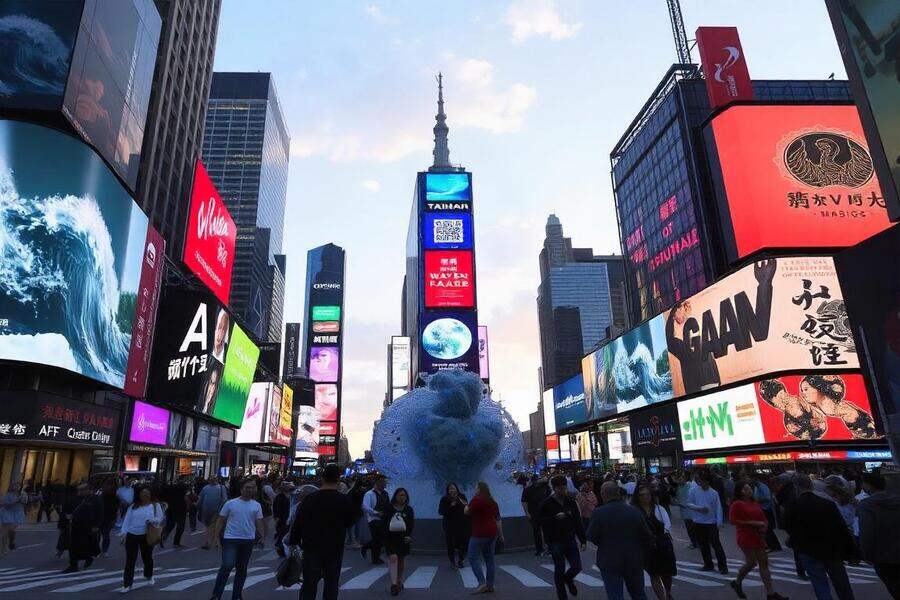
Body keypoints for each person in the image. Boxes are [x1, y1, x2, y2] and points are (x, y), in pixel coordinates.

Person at [288, 464, 356, 600]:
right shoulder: (343, 500)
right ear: (338, 479)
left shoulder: (310, 499)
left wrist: (294, 541)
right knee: (331, 584)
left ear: (322, 478)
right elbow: (350, 522)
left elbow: (299, 521)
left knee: (309, 584)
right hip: (334, 547)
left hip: (311, 546)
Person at [782, 474, 855, 600]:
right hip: (831, 549)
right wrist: (851, 550)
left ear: (796, 487)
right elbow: (841, 528)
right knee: (841, 583)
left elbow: (787, 526)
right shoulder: (827, 503)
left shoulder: (793, 505)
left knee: (819, 583)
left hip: (807, 549)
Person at [586, 481, 652, 600]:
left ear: (603, 494)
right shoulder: (634, 511)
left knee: (615, 595)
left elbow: (591, 536)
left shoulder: (599, 512)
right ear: (618, 493)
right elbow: (647, 535)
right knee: (638, 594)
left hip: (609, 559)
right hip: (633, 559)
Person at [728, 480, 788, 600]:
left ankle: (770, 593)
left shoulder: (755, 503)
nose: (749, 491)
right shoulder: (737, 504)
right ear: (740, 491)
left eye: (749, 488)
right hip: (745, 535)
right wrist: (752, 523)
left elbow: (763, 517)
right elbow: (733, 520)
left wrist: (765, 525)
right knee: (751, 562)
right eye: (745, 489)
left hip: (758, 535)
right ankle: (737, 581)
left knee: (763, 562)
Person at [209, 479, 264, 600]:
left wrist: (262, 537)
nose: (250, 490)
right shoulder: (230, 503)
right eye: (247, 487)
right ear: (241, 489)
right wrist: (216, 537)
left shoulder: (257, 505)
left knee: (242, 568)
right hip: (230, 539)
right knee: (227, 565)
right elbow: (220, 520)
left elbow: (259, 522)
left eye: (252, 488)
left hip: (248, 540)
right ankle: (216, 595)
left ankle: (237, 595)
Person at [538, 475, 587, 600]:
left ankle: (568, 579)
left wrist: (583, 539)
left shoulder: (571, 502)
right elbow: (539, 521)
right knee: (559, 569)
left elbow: (577, 521)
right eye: (560, 488)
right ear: (554, 488)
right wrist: (554, 518)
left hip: (570, 538)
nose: (563, 491)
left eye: (564, 488)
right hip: (555, 541)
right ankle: (562, 596)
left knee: (577, 567)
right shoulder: (547, 504)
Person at [857, 472, 900, 599]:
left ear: (868, 486)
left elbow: (867, 534)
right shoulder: (897, 500)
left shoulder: (866, 505)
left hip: (883, 556)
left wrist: (867, 555)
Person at [632, 484, 676, 600]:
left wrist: (662, 535)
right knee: (654, 574)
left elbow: (667, 524)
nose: (645, 497)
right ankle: (662, 598)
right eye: (641, 495)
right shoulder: (635, 511)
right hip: (647, 547)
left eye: (647, 494)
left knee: (667, 573)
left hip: (663, 544)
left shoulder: (659, 509)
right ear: (637, 497)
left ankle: (668, 592)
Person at [119, 485, 163, 593]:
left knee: (147, 556)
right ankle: (127, 584)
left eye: (147, 493)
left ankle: (149, 574)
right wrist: (124, 533)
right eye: (142, 493)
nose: (144, 495)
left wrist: (152, 520)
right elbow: (127, 520)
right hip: (132, 535)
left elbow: (160, 518)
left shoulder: (155, 505)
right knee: (130, 560)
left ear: (150, 495)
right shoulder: (133, 506)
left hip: (146, 535)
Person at [685, 472, 728, 574]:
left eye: (704, 482)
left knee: (716, 545)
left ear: (708, 482)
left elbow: (718, 508)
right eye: (700, 481)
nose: (702, 483)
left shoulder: (714, 493)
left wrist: (719, 522)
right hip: (698, 522)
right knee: (703, 545)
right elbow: (689, 503)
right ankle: (708, 564)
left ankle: (723, 566)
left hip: (711, 522)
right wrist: (699, 508)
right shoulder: (693, 491)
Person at [466, 481, 501, 595]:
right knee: (489, 559)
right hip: (492, 532)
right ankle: (490, 585)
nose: (475, 490)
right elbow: (497, 518)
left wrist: (466, 505)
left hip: (479, 533)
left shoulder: (476, 500)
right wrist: (501, 534)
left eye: (476, 488)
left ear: (480, 489)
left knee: (472, 557)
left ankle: (482, 583)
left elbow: (467, 512)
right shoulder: (492, 501)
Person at [63, 483, 103, 573]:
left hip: (88, 526)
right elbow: (68, 509)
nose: (80, 492)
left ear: (89, 490)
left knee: (86, 544)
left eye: (82, 490)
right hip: (76, 525)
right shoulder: (77, 499)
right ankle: (73, 565)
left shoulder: (96, 499)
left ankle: (88, 558)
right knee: (72, 545)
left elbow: (99, 513)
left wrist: (96, 526)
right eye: (79, 490)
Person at [382, 488, 414, 596]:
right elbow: (384, 522)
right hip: (390, 538)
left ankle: (400, 580)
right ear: (395, 496)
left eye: (404, 495)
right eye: (400, 495)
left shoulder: (408, 509)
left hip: (403, 538)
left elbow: (410, 524)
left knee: (401, 559)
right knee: (393, 557)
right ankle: (394, 584)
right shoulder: (389, 508)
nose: (402, 497)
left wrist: (408, 536)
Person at [438, 483, 469, 568]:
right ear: (447, 491)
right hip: (449, 525)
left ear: (457, 489)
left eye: (453, 488)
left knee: (462, 543)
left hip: (462, 524)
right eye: (450, 489)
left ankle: (461, 560)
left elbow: (466, 507)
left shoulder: (462, 497)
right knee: (450, 544)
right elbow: (440, 511)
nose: (452, 490)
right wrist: (451, 506)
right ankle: (452, 562)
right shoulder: (444, 499)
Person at [361, 475, 390, 564]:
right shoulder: (369, 494)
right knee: (377, 538)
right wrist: (376, 512)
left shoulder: (385, 493)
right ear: (377, 482)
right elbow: (365, 506)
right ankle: (375, 558)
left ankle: (366, 547)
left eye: (384, 482)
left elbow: (388, 504)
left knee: (380, 538)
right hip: (373, 519)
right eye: (382, 482)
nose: (384, 483)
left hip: (384, 518)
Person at [751, 474, 783, 552]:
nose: (751, 481)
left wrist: (757, 501)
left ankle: (774, 546)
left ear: (756, 479)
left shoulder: (762, 486)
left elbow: (767, 498)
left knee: (767, 529)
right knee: (764, 529)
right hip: (762, 509)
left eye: (752, 479)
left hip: (766, 509)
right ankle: (769, 545)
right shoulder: (757, 487)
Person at [521, 475, 550, 556]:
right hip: (534, 513)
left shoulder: (545, 488)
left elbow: (549, 496)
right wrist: (527, 513)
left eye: (537, 480)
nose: (536, 482)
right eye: (535, 481)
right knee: (536, 531)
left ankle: (548, 548)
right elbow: (524, 502)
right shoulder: (528, 490)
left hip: (544, 512)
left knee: (546, 530)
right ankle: (539, 549)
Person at [198, 476, 229, 550]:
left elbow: (200, 499)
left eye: (214, 479)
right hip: (213, 509)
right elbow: (225, 499)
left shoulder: (207, 488)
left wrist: (199, 507)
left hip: (212, 509)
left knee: (210, 526)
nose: (213, 480)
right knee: (213, 526)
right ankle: (214, 542)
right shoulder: (220, 488)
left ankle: (209, 542)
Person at [0, 482, 27, 554]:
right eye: (15, 485)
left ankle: (11, 541)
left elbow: (25, 502)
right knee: (4, 533)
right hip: (7, 513)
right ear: (12, 487)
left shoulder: (23, 494)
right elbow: (4, 504)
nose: (16, 487)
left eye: (18, 486)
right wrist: (15, 501)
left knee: (12, 529)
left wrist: (22, 499)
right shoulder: (8, 495)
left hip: (18, 514)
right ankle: (3, 549)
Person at [162, 478, 189, 549]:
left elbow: (164, 497)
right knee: (180, 526)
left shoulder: (169, 488)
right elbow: (187, 498)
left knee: (170, 524)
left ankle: (163, 535)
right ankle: (176, 542)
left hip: (170, 507)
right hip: (181, 508)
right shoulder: (184, 488)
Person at [100, 479, 119, 557]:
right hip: (105, 516)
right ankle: (103, 551)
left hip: (108, 517)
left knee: (105, 534)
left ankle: (103, 551)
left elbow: (116, 508)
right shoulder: (105, 495)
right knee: (104, 534)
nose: (108, 486)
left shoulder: (113, 496)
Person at [273, 481, 292, 557]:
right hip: (282, 519)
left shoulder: (293, 495)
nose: (287, 487)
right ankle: (281, 550)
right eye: (285, 485)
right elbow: (276, 508)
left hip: (291, 518)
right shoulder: (279, 497)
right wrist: (276, 519)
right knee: (282, 534)